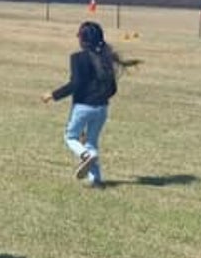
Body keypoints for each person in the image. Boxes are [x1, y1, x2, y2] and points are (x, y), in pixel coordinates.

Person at [42, 21, 140, 187]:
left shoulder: (78, 58)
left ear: (83, 39)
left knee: (70, 137)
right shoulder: (106, 57)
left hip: (82, 107)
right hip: (102, 108)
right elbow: (112, 88)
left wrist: (53, 95)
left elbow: (75, 84)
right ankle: (96, 180)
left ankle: (85, 155)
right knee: (91, 142)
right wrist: (100, 99)